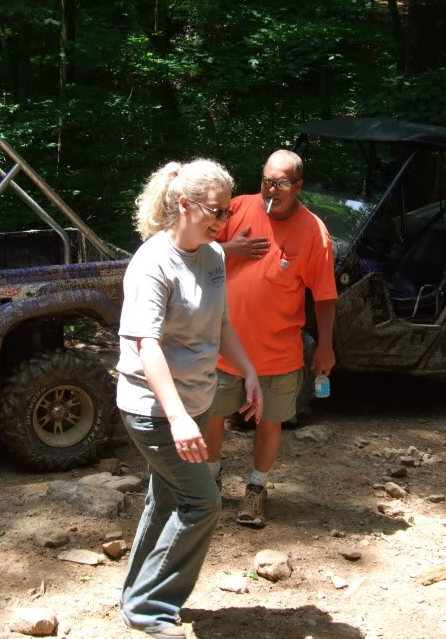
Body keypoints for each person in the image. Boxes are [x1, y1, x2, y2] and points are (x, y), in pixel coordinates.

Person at [116, 159, 264, 637]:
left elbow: (221, 325)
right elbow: (147, 344)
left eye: (227, 213)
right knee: (202, 502)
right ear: (183, 204)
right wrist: (177, 418)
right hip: (155, 409)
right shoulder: (152, 263)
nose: (222, 223)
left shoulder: (214, 255)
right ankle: (150, 608)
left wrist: (250, 373)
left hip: (194, 402)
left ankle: (137, 595)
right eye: (215, 212)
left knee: (167, 499)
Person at [204, 149, 337, 528]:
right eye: (266, 180)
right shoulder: (237, 209)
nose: (270, 189)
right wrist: (230, 249)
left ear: (298, 186)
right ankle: (211, 478)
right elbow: (192, 250)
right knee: (214, 415)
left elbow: (324, 295)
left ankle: (256, 490)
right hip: (225, 346)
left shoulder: (314, 232)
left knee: (270, 421)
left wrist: (326, 345)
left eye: (280, 183)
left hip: (278, 351)